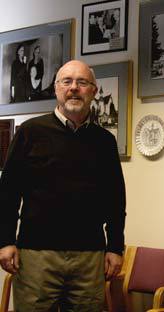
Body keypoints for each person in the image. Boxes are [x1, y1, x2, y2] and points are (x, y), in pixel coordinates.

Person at [0, 60, 126, 311]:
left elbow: (115, 199)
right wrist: (5, 240)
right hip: (37, 255)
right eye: (66, 82)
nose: (73, 88)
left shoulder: (105, 141)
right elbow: (8, 192)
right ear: (56, 89)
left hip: (90, 257)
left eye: (82, 82)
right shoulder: (30, 132)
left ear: (94, 90)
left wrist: (114, 247)